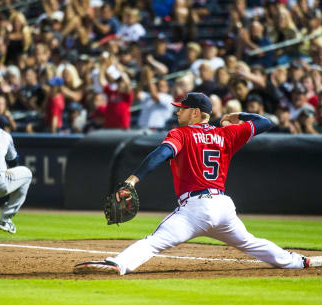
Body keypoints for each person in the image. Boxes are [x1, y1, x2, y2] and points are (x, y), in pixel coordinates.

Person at [73, 92, 308, 275]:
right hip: (223, 207)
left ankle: (118, 264)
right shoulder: (227, 134)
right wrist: (238, 117)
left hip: (195, 208)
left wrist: (133, 180)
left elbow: (160, 154)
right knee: (251, 243)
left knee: (154, 242)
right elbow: (265, 122)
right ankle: (297, 262)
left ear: (195, 113)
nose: (178, 112)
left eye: (182, 109)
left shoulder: (181, 134)